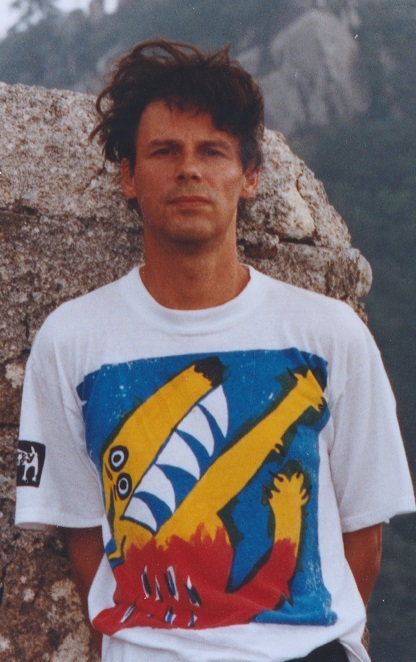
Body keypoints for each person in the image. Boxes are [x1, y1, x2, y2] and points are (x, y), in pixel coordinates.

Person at [15, 39, 415, 662]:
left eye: (212, 151)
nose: (189, 170)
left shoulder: (329, 333)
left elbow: (364, 528)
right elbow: (79, 527)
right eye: (164, 151)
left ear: (250, 175)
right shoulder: (71, 340)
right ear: (128, 176)